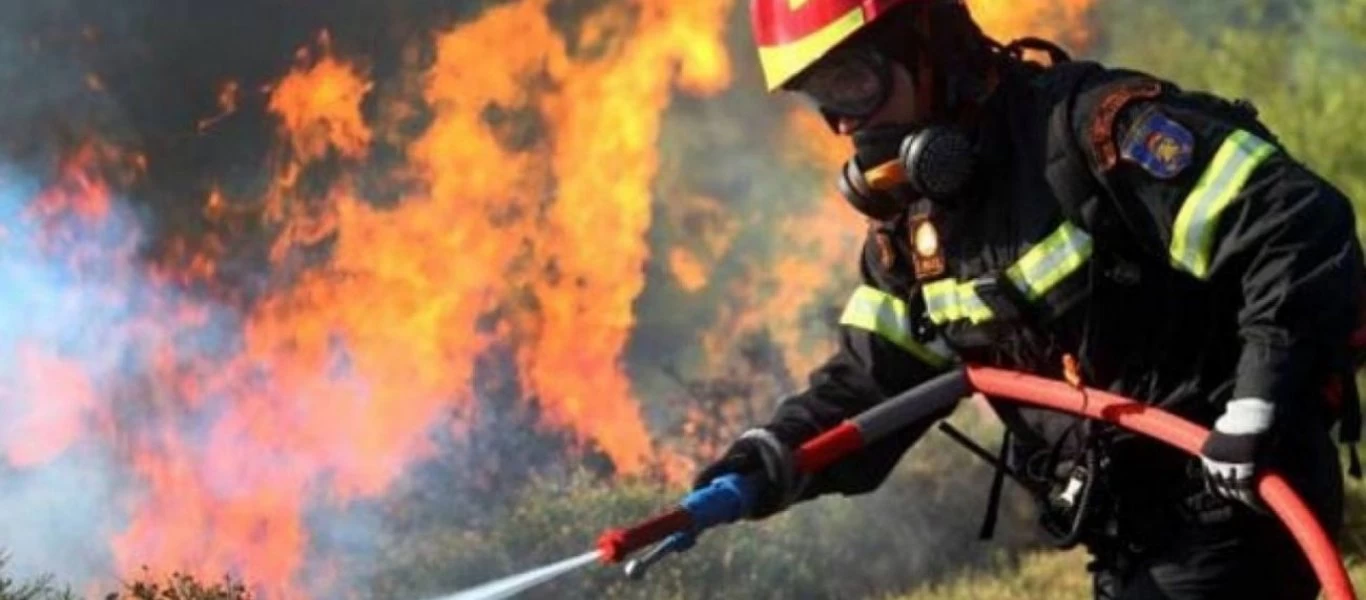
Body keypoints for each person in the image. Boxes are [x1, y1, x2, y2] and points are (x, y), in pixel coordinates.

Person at [694, 1, 1366, 598]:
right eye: (822, 98)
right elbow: (877, 375)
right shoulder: (920, 230)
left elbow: (1295, 224)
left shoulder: (1092, 133)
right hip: (1131, 534)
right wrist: (773, 455)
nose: (843, 124)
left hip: (1236, 501)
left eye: (851, 83)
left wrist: (1258, 404)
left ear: (926, 40)